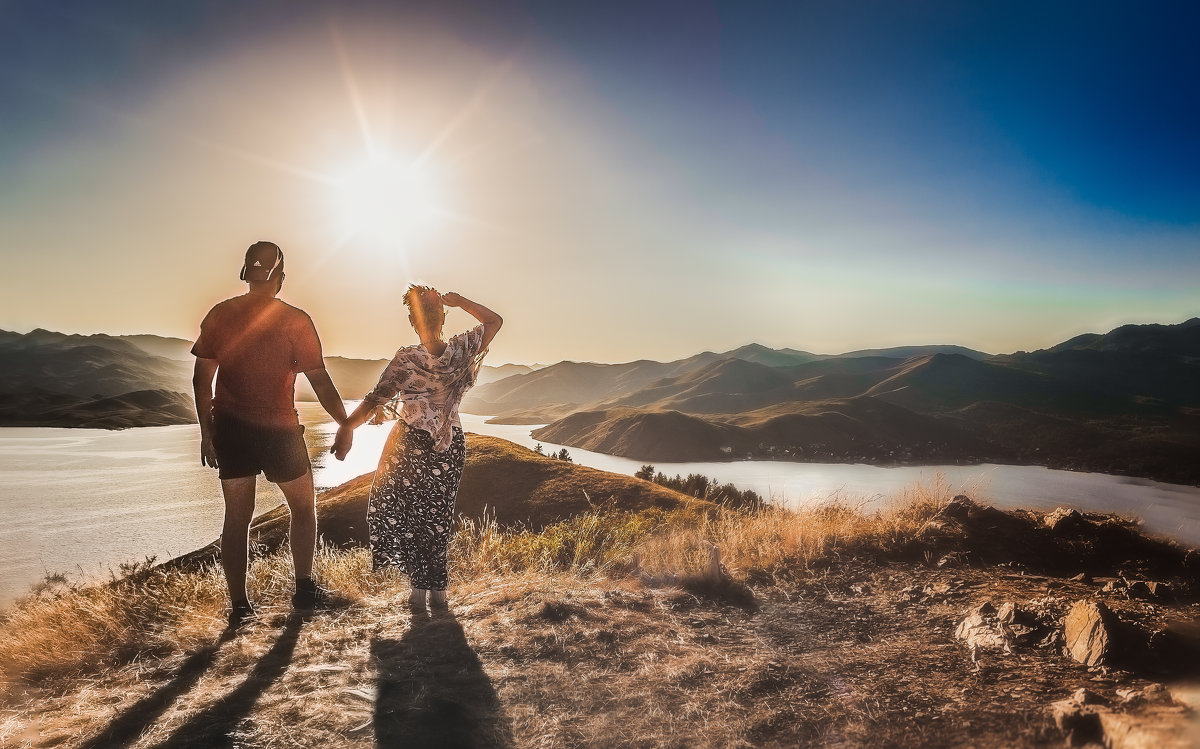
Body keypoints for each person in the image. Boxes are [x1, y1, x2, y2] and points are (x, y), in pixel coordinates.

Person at [192, 241, 349, 626]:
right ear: (280, 277)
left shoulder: (220, 314)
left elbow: (201, 380)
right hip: (279, 429)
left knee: (237, 518)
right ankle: (304, 590)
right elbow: (320, 380)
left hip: (230, 429)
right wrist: (344, 422)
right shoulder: (296, 319)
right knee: (303, 509)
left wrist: (207, 434)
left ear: (245, 273)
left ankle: (240, 609)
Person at [332, 285, 501, 610]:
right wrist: (460, 301)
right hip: (449, 446)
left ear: (412, 321)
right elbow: (494, 322)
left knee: (404, 516)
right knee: (436, 517)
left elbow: (374, 400)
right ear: (443, 316)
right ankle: (434, 590)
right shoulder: (460, 351)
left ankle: (419, 591)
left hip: (409, 444)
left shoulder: (407, 359)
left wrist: (346, 428)